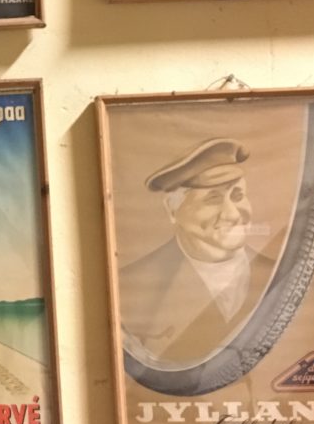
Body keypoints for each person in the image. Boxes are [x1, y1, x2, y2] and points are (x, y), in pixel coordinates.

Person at [119, 138, 277, 362]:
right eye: (213, 199)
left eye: (237, 196)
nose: (233, 214)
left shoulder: (286, 280)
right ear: (172, 210)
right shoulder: (129, 290)